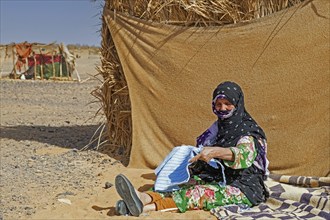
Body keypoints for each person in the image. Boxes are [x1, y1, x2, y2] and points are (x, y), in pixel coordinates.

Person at [114, 81, 269, 217]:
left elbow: (244, 155)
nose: (222, 109)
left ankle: (142, 209)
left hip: (245, 187)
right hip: (222, 178)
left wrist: (215, 152)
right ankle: (143, 197)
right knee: (181, 182)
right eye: (218, 104)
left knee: (199, 194)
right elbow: (202, 145)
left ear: (237, 104)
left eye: (228, 104)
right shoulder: (219, 127)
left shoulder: (247, 132)